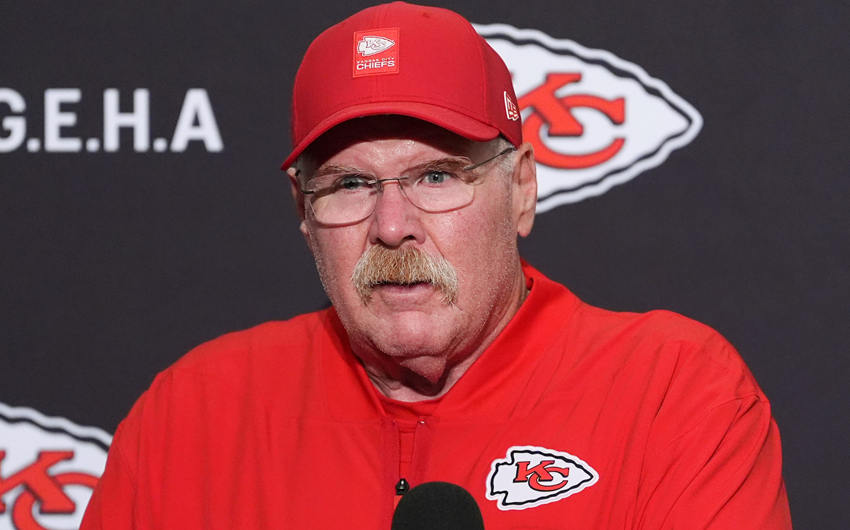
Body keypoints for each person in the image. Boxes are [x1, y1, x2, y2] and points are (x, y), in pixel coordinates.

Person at [81, 2, 792, 528]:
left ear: (521, 189)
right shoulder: (192, 419)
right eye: (350, 185)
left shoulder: (673, 395)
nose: (393, 227)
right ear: (303, 210)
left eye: (436, 176)